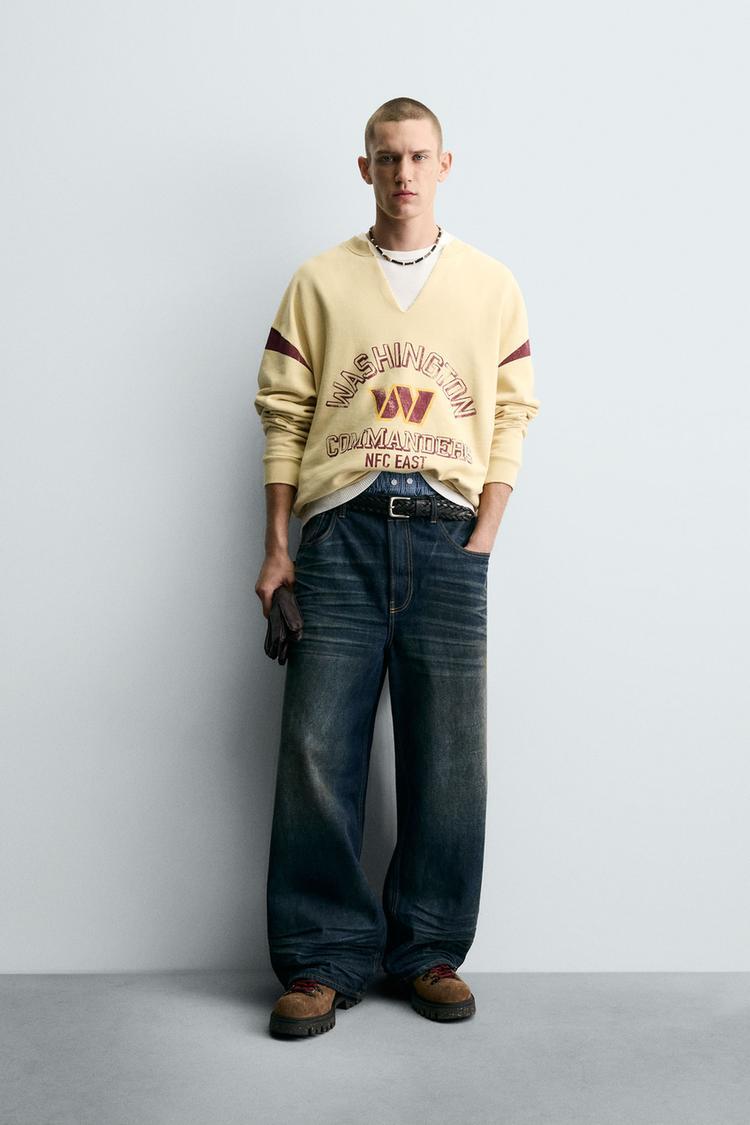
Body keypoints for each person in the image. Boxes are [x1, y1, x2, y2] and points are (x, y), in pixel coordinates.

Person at [254, 97, 540, 1038]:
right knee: (316, 750)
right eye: (387, 158)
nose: (403, 173)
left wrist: (484, 535)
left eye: (418, 157)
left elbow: (513, 411)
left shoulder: (490, 285)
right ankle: (321, 958)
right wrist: (279, 546)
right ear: (365, 168)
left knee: (449, 756)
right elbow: (284, 414)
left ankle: (429, 950)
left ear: (444, 165)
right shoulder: (319, 281)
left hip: (448, 537)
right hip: (340, 533)